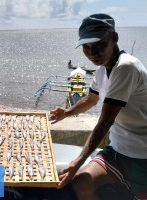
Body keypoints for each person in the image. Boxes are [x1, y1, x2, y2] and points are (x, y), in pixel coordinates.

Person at [50, 13, 147, 199]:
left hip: (142, 156)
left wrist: (78, 161)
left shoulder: (126, 67)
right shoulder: (102, 70)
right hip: (117, 150)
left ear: (114, 38)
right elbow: (90, 99)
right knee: (82, 182)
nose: (92, 53)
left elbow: (105, 121)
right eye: (86, 47)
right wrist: (66, 112)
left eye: (98, 45)